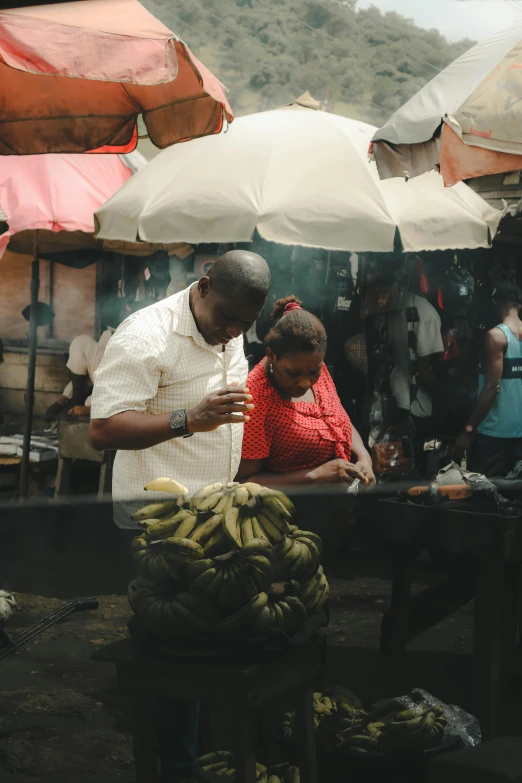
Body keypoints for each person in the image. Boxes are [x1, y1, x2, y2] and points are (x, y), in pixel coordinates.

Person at [89, 250, 270, 783]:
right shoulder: (145, 336)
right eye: (227, 318)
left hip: (216, 510)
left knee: (209, 641)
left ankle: (203, 756)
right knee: (172, 650)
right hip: (161, 520)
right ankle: (171, 765)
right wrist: (188, 419)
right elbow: (104, 429)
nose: (233, 331)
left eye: (244, 322)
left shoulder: (229, 325)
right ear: (205, 284)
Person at [237, 296, 375, 487]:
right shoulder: (255, 399)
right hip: (288, 512)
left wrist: (363, 456)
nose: (305, 382)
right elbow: (245, 481)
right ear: (271, 355)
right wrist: (316, 475)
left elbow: (337, 417)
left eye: (313, 372)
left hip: (337, 510)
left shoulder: (313, 365)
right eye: (293, 373)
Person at [456, 282, 522, 477]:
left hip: (495, 432)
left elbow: (492, 387)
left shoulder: (496, 336)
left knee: (484, 493)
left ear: (496, 304)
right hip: (520, 432)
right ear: (519, 304)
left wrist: (469, 429)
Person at [44, 329, 114, 421]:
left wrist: (86, 409)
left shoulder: (106, 368)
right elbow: (80, 380)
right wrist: (61, 401)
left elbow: (111, 400)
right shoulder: (95, 352)